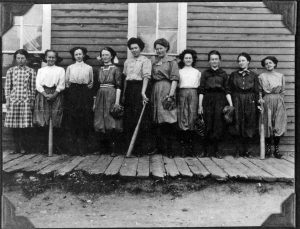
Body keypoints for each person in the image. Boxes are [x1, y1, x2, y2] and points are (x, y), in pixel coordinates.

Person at [198, 50, 233, 158]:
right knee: (207, 124)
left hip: (220, 100)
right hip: (207, 99)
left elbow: (227, 90)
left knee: (218, 124)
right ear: (209, 61)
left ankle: (217, 151)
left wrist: (231, 105)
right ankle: (205, 151)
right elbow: (201, 90)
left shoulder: (223, 74)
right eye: (212, 59)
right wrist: (200, 105)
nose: (214, 61)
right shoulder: (205, 74)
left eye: (216, 59)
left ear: (219, 60)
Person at [122, 37, 152, 155]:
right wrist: (124, 94)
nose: (134, 50)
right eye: (132, 48)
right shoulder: (127, 62)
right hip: (129, 89)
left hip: (140, 88)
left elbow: (146, 77)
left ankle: (140, 148)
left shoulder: (145, 60)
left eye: (136, 48)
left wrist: (143, 92)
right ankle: (129, 147)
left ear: (140, 48)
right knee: (129, 118)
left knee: (139, 118)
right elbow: (125, 78)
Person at [151, 38, 180, 157]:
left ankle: (170, 150)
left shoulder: (172, 61)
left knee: (168, 120)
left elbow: (174, 79)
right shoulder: (154, 62)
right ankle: (159, 148)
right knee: (158, 120)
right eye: (157, 49)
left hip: (167, 90)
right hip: (156, 90)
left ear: (166, 48)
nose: (159, 51)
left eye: (161, 48)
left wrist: (171, 95)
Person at [4, 49, 36, 154]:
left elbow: (32, 88)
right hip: (14, 100)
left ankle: (24, 147)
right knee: (15, 125)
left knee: (24, 126)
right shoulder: (11, 71)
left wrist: (31, 101)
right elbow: (7, 87)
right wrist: (8, 100)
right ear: (16, 59)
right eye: (18, 58)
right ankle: (16, 148)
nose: (20, 60)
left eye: (22, 58)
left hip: (25, 101)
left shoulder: (31, 71)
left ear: (26, 59)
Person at [33, 49, 65, 152]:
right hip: (43, 95)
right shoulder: (41, 70)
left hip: (56, 95)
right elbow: (37, 84)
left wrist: (54, 95)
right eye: (49, 57)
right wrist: (45, 94)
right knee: (43, 120)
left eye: (53, 57)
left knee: (55, 120)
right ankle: (44, 148)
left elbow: (61, 84)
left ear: (56, 59)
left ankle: (55, 147)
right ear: (46, 58)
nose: (51, 59)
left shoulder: (60, 70)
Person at [228, 52, 259, 157]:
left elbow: (257, 90)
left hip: (250, 101)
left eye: (243, 60)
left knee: (249, 123)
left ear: (248, 62)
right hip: (237, 100)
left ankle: (247, 151)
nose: (241, 63)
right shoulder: (233, 75)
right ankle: (237, 150)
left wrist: (258, 103)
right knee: (237, 123)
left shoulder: (254, 75)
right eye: (239, 61)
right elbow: (229, 90)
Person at [94, 47, 123, 156]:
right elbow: (96, 86)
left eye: (107, 55)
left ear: (111, 56)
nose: (105, 57)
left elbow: (119, 86)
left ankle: (113, 149)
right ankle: (102, 149)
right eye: (103, 55)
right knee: (100, 120)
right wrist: (94, 102)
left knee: (111, 121)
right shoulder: (99, 69)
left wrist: (117, 102)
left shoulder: (116, 69)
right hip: (100, 95)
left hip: (112, 94)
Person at [64, 47, 94, 155]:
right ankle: (72, 149)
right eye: (76, 54)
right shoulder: (70, 67)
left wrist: (86, 89)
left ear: (84, 55)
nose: (78, 56)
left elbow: (91, 83)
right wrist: (72, 91)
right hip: (73, 92)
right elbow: (66, 82)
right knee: (73, 120)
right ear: (74, 56)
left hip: (84, 92)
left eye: (80, 54)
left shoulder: (89, 68)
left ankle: (82, 149)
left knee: (84, 120)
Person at [258, 56, 287, 159]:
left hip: (278, 101)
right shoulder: (261, 76)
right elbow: (260, 91)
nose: (268, 65)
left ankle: (276, 150)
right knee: (267, 124)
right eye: (266, 63)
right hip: (266, 101)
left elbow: (283, 91)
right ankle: (268, 149)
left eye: (270, 63)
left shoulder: (280, 76)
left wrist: (280, 101)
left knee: (278, 124)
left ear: (274, 64)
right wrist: (261, 100)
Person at [177, 49, 201, 156]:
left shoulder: (197, 72)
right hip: (182, 93)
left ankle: (191, 149)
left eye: (190, 58)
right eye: (186, 58)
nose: (188, 60)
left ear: (193, 59)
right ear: (183, 59)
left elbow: (199, 86)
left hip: (193, 93)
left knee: (192, 117)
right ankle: (183, 149)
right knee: (183, 116)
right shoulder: (179, 71)